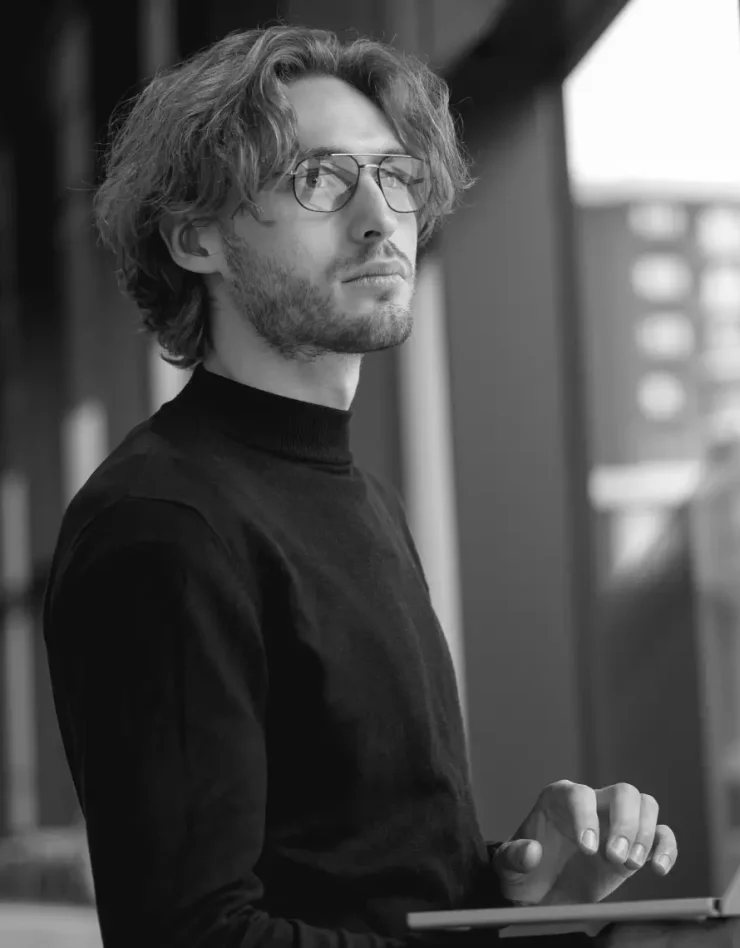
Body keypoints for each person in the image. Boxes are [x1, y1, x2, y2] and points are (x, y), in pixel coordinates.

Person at [43, 24, 681, 948]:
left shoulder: (361, 498)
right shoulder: (164, 525)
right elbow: (192, 936)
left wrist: (528, 889)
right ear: (195, 237)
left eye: (393, 174)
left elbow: (361, 888)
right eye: (318, 178)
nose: (380, 216)